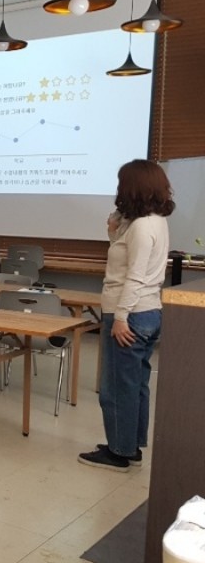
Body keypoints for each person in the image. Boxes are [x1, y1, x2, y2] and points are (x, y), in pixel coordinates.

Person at [79, 159, 174, 471]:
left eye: (122, 184)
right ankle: (130, 446)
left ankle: (119, 452)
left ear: (133, 188)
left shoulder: (142, 227)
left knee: (117, 388)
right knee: (136, 385)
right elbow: (129, 261)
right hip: (148, 312)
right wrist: (113, 233)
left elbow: (135, 277)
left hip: (130, 313)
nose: (118, 190)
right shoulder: (152, 221)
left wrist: (120, 318)